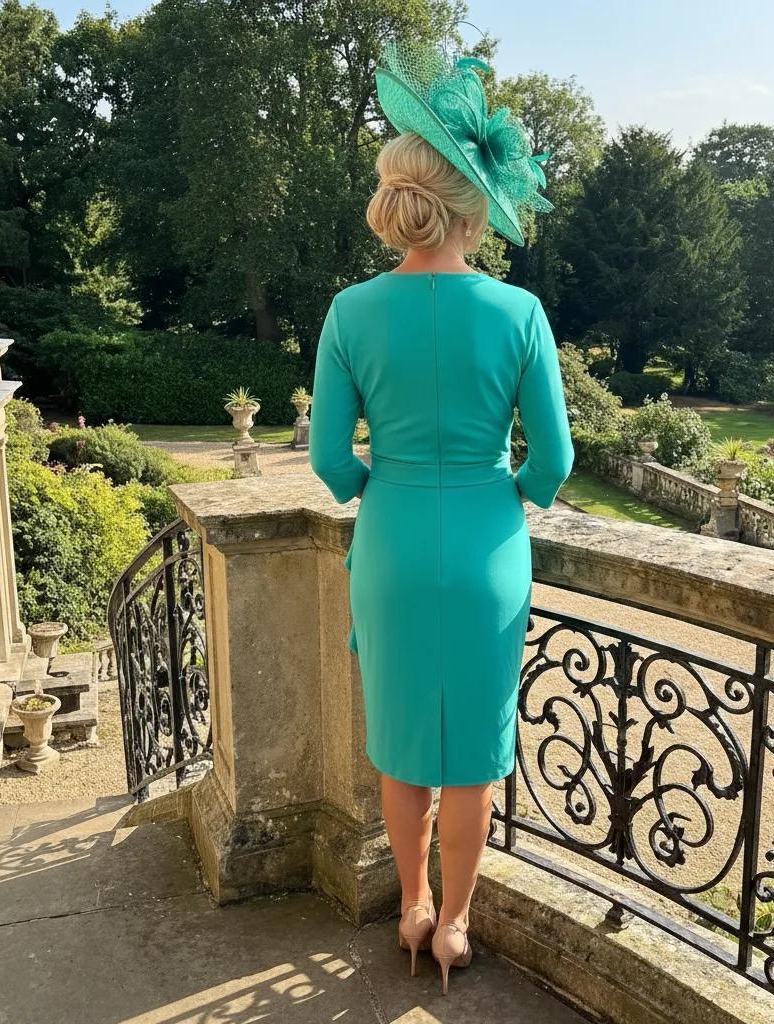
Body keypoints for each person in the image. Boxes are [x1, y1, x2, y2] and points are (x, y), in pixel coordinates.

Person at [308, 37, 573, 995]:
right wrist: (509, 491)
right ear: (473, 208)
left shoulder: (349, 311)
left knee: (404, 740)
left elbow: (332, 462)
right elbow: (555, 465)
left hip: (390, 542)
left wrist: (386, 479)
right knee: (475, 752)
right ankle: (456, 926)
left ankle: (412, 906)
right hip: (487, 544)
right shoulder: (521, 313)